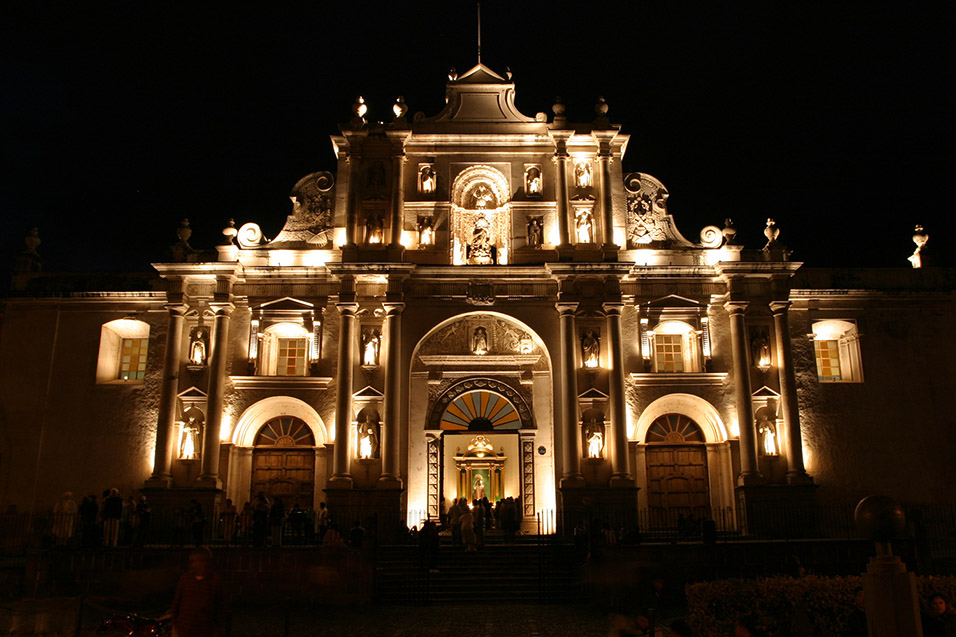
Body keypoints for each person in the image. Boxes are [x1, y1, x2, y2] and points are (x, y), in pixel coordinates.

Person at [170, 547, 226, 637]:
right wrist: (175, 622)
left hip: (205, 629)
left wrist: (217, 626)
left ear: (208, 562)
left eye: (200, 561)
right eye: (193, 561)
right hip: (183, 627)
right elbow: (177, 601)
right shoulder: (185, 579)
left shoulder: (215, 581)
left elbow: (220, 605)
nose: (196, 564)